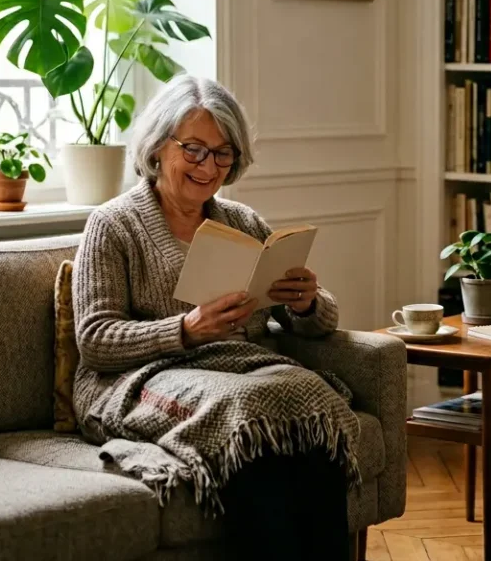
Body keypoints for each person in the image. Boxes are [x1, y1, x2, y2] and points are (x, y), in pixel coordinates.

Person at [71, 75, 354, 560]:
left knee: (305, 414)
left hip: (240, 371)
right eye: (195, 149)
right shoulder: (113, 224)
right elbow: (95, 339)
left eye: (223, 153)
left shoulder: (242, 222)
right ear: (158, 147)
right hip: (140, 379)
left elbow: (318, 322)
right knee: (249, 413)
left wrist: (306, 302)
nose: (209, 166)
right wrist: (184, 330)